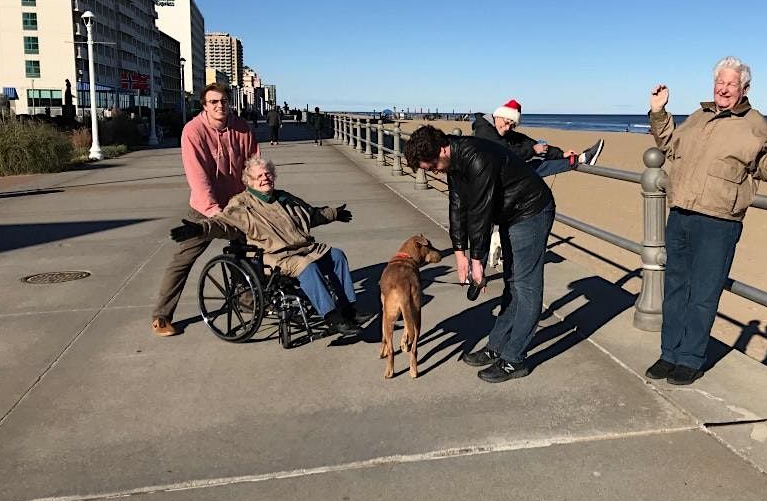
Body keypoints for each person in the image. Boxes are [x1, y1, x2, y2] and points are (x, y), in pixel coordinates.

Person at [644, 56, 767, 385]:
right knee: (674, 289)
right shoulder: (699, 117)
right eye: (720, 82)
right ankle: (668, 353)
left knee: (703, 293)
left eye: (731, 83)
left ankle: (689, 358)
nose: (723, 88)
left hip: (719, 221)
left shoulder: (755, 124)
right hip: (681, 212)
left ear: (744, 88)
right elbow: (670, 145)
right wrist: (659, 112)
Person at [404, 125, 556, 383]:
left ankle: (514, 359)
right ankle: (496, 347)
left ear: (442, 149)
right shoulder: (451, 161)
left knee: (525, 287)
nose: (434, 172)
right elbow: (457, 206)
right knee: (512, 284)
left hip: (530, 211)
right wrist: (459, 254)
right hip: (510, 213)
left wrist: (478, 262)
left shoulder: (476, 157)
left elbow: (480, 213)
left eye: (431, 166)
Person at [169, 156, 372, 334]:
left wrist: (334, 213)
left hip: (302, 248)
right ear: (249, 181)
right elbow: (222, 223)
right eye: (259, 176)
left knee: (336, 255)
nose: (265, 178)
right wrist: (200, 229)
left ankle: (348, 309)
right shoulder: (241, 204)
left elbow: (310, 214)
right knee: (307, 267)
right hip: (274, 255)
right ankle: (332, 318)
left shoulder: (284, 198)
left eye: (267, 174)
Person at [150, 82, 260, 337]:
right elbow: (198, 176)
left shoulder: (242, 128)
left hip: (238, 204)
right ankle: (162, 316)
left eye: (223, 101)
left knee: (246, 251)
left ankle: (246, 299)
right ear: (204, 105)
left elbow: (254, 164)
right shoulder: (193, 131)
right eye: (213, 102)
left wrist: (257, 198)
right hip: (205, 208)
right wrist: (214, 213)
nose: (219, 106)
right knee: (184, 258)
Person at [472, 99, 605, 177]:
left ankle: (579, 158)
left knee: (534, 149)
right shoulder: (484, 131)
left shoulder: (501, 130)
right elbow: (506, 153)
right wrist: (533, 150)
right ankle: (579, 160)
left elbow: (529, 142)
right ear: (498, 116)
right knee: (531, 167)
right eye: (506, 123)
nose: (507, 128)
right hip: (484, 179)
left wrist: (561, 153)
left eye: (512, 126)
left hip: (494, 175)